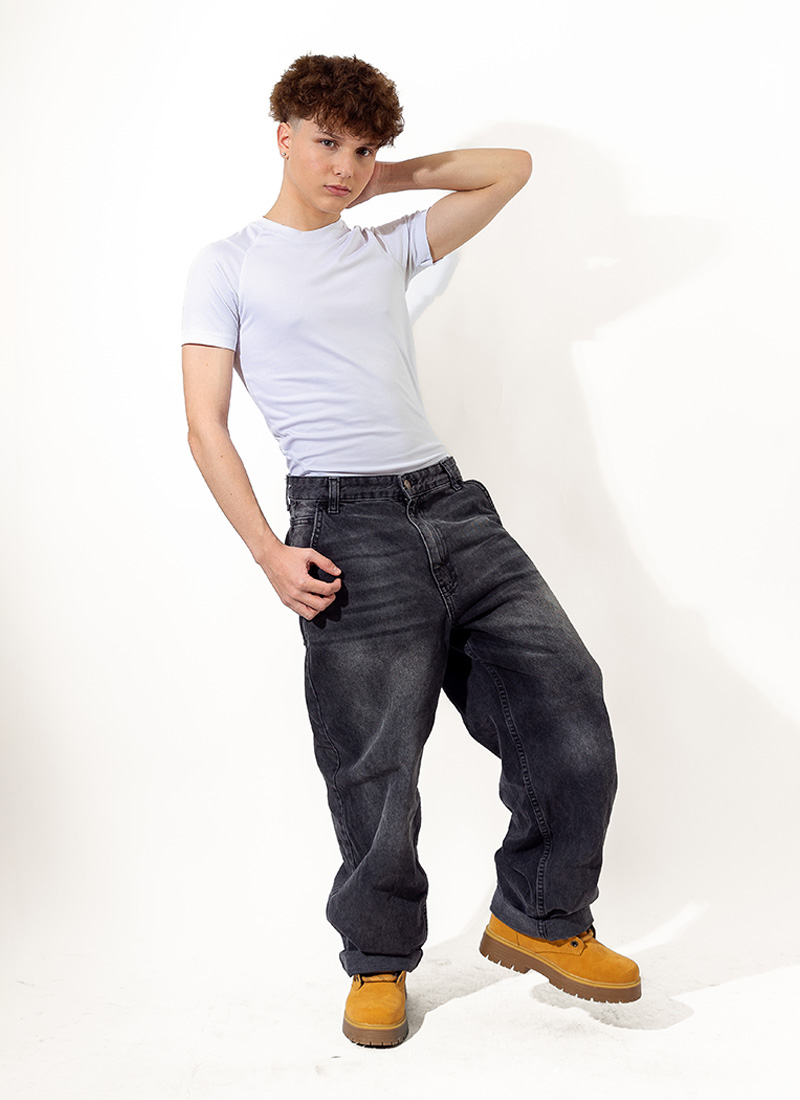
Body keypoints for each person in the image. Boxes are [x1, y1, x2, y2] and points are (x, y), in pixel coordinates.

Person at [181, 53, 640, 1048]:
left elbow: (509, 170)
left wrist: (385, 178)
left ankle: (540, 914)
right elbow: (205, 424)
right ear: (282, 135)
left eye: (360, 148)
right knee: (374, 764)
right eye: (325, 142)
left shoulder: (385, 247)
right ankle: (379, 961)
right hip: (342, 525)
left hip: (452, 506)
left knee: (565, 699)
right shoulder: (228, 265)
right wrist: (267, 551)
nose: (341, 165)